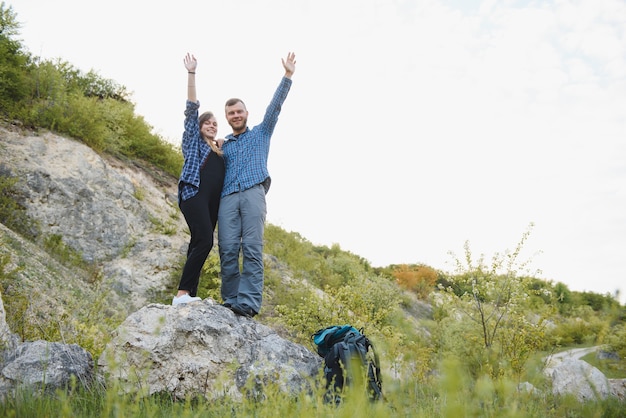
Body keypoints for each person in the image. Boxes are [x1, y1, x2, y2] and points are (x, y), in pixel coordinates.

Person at [218, 52, 297, 317]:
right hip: (227, 197)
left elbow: (275, 107)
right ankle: (230, 299)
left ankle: (249, 303)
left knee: (251, 248)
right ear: (227, 117)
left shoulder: (261, 133)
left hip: (253, 192)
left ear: (246, 113)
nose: (235, 115)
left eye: (239, 111)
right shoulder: (224, 145)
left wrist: (287, 75)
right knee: (227, 248)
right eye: (231, 113)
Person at [172, 53, 225, 306]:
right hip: (194, 194)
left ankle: (188, 294)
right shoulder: (193, 141)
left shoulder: (220, 150)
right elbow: (192, 109)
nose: (212, 126)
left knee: (198, 243)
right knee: (205, 239)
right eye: (208, 123)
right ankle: (182, 293)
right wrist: (191, 74)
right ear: (200, 125)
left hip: (211, 204)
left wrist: (224, 145)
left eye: (215, 124)